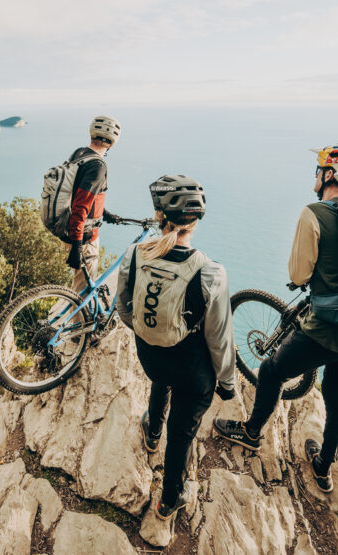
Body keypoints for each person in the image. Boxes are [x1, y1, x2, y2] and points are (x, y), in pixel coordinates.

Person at [214, 143, 338, 493]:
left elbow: (300, 274)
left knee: (272, 369)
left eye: (319, 168)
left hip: (330, 327)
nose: (315, 175)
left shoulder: (314, 213)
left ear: (329, 174)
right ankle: (324, 466)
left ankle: (251, 432)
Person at [117, 175, 236, 519]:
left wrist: (149, 335)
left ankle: (153, 430)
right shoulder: (210, 272)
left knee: (162, 379)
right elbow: (219, 337)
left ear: (159, 217)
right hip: (191, 372)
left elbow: (124, 308)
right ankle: (170, 499)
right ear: (196, 221)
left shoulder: (134, 256)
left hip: (151, 359)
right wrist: (226, 383)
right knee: (182, 432)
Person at [65, 115, 123, 294]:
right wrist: (77, 246)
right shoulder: (98, 166)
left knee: (79, 284)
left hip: (70, 227)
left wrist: (104, 213)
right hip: (84, 237)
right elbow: (80, 206)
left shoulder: (79, 154)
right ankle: (80, 323)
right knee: (83, 293)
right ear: (112, 142)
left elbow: (78, 195)